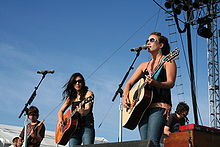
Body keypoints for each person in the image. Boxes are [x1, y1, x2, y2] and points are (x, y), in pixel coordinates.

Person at [122, 32, 177, 147]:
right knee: (144, 144)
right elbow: (129, 83)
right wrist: (125, 97)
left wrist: (156, 83)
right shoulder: (144, 65)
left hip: (159, 106)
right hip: (142, 108)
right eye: (147, 41)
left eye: (152, 40)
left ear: (161, 45)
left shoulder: (168, 61)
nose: (148, 43)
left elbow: (171, 83)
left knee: (153, 142)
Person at [57, 72, 95, 146]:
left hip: (87, 126)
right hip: (73, 130)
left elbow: (87, 109)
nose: (77, 83)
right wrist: (60, 120)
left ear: (83, 82)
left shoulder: (88, 93)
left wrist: (82, 111)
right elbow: (60, 111)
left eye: (79, 81)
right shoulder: (71, 97)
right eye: (75, 82)